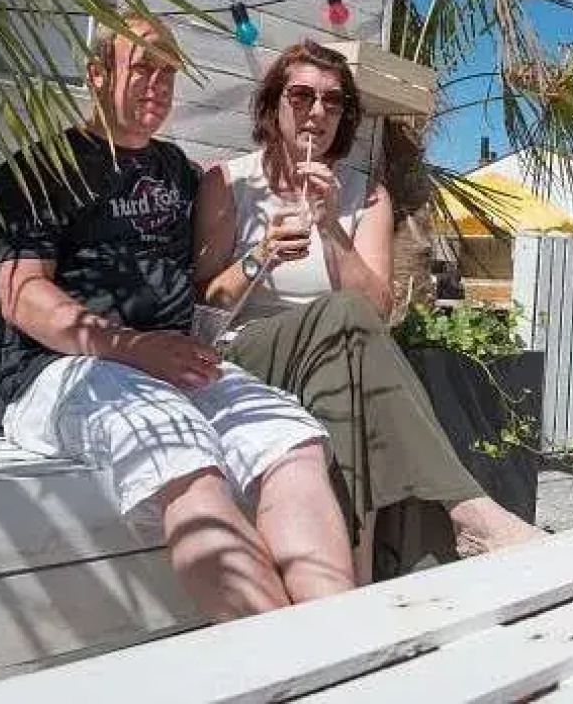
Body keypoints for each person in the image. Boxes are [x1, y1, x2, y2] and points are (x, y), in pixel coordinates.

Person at [0, 15, 353, 623]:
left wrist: (260, 256)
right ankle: (286, 658)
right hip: (70, 370)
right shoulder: (41, 172)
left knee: (291, 440)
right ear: (96, 74)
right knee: (181, 447)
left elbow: (207, 292)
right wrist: (134, 347)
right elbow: (23, 297)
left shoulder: (178, 172)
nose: (158, 83)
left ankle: (340, 642)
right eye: (142, 67)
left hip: (175, 365)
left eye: (168, 71)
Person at [196, 40, 540, 566]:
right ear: (273, 104)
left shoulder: (367, 195)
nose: (317, 111)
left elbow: (378, 307)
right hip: (248, 354)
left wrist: (331, 228)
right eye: (301, 96)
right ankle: (468, 511)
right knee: (342, 315)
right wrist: (259, 255)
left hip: (336, 355)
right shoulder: (230, 181)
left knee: (344, 379)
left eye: (333, 101)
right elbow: (205, 304)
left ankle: (350, 580)